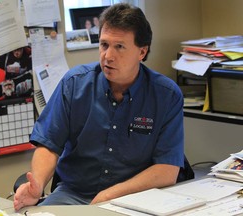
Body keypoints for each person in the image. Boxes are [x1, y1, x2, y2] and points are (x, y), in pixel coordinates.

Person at [14, 3, 184, 211]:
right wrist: (38, 185)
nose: (108, 56)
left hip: (135, 198)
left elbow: (167, 169)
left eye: (119, 46)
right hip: (73, 195)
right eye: (104, 45)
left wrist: (112, 194)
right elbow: (49, 144)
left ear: (142, 51)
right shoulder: (74, 83)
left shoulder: (166, 95)